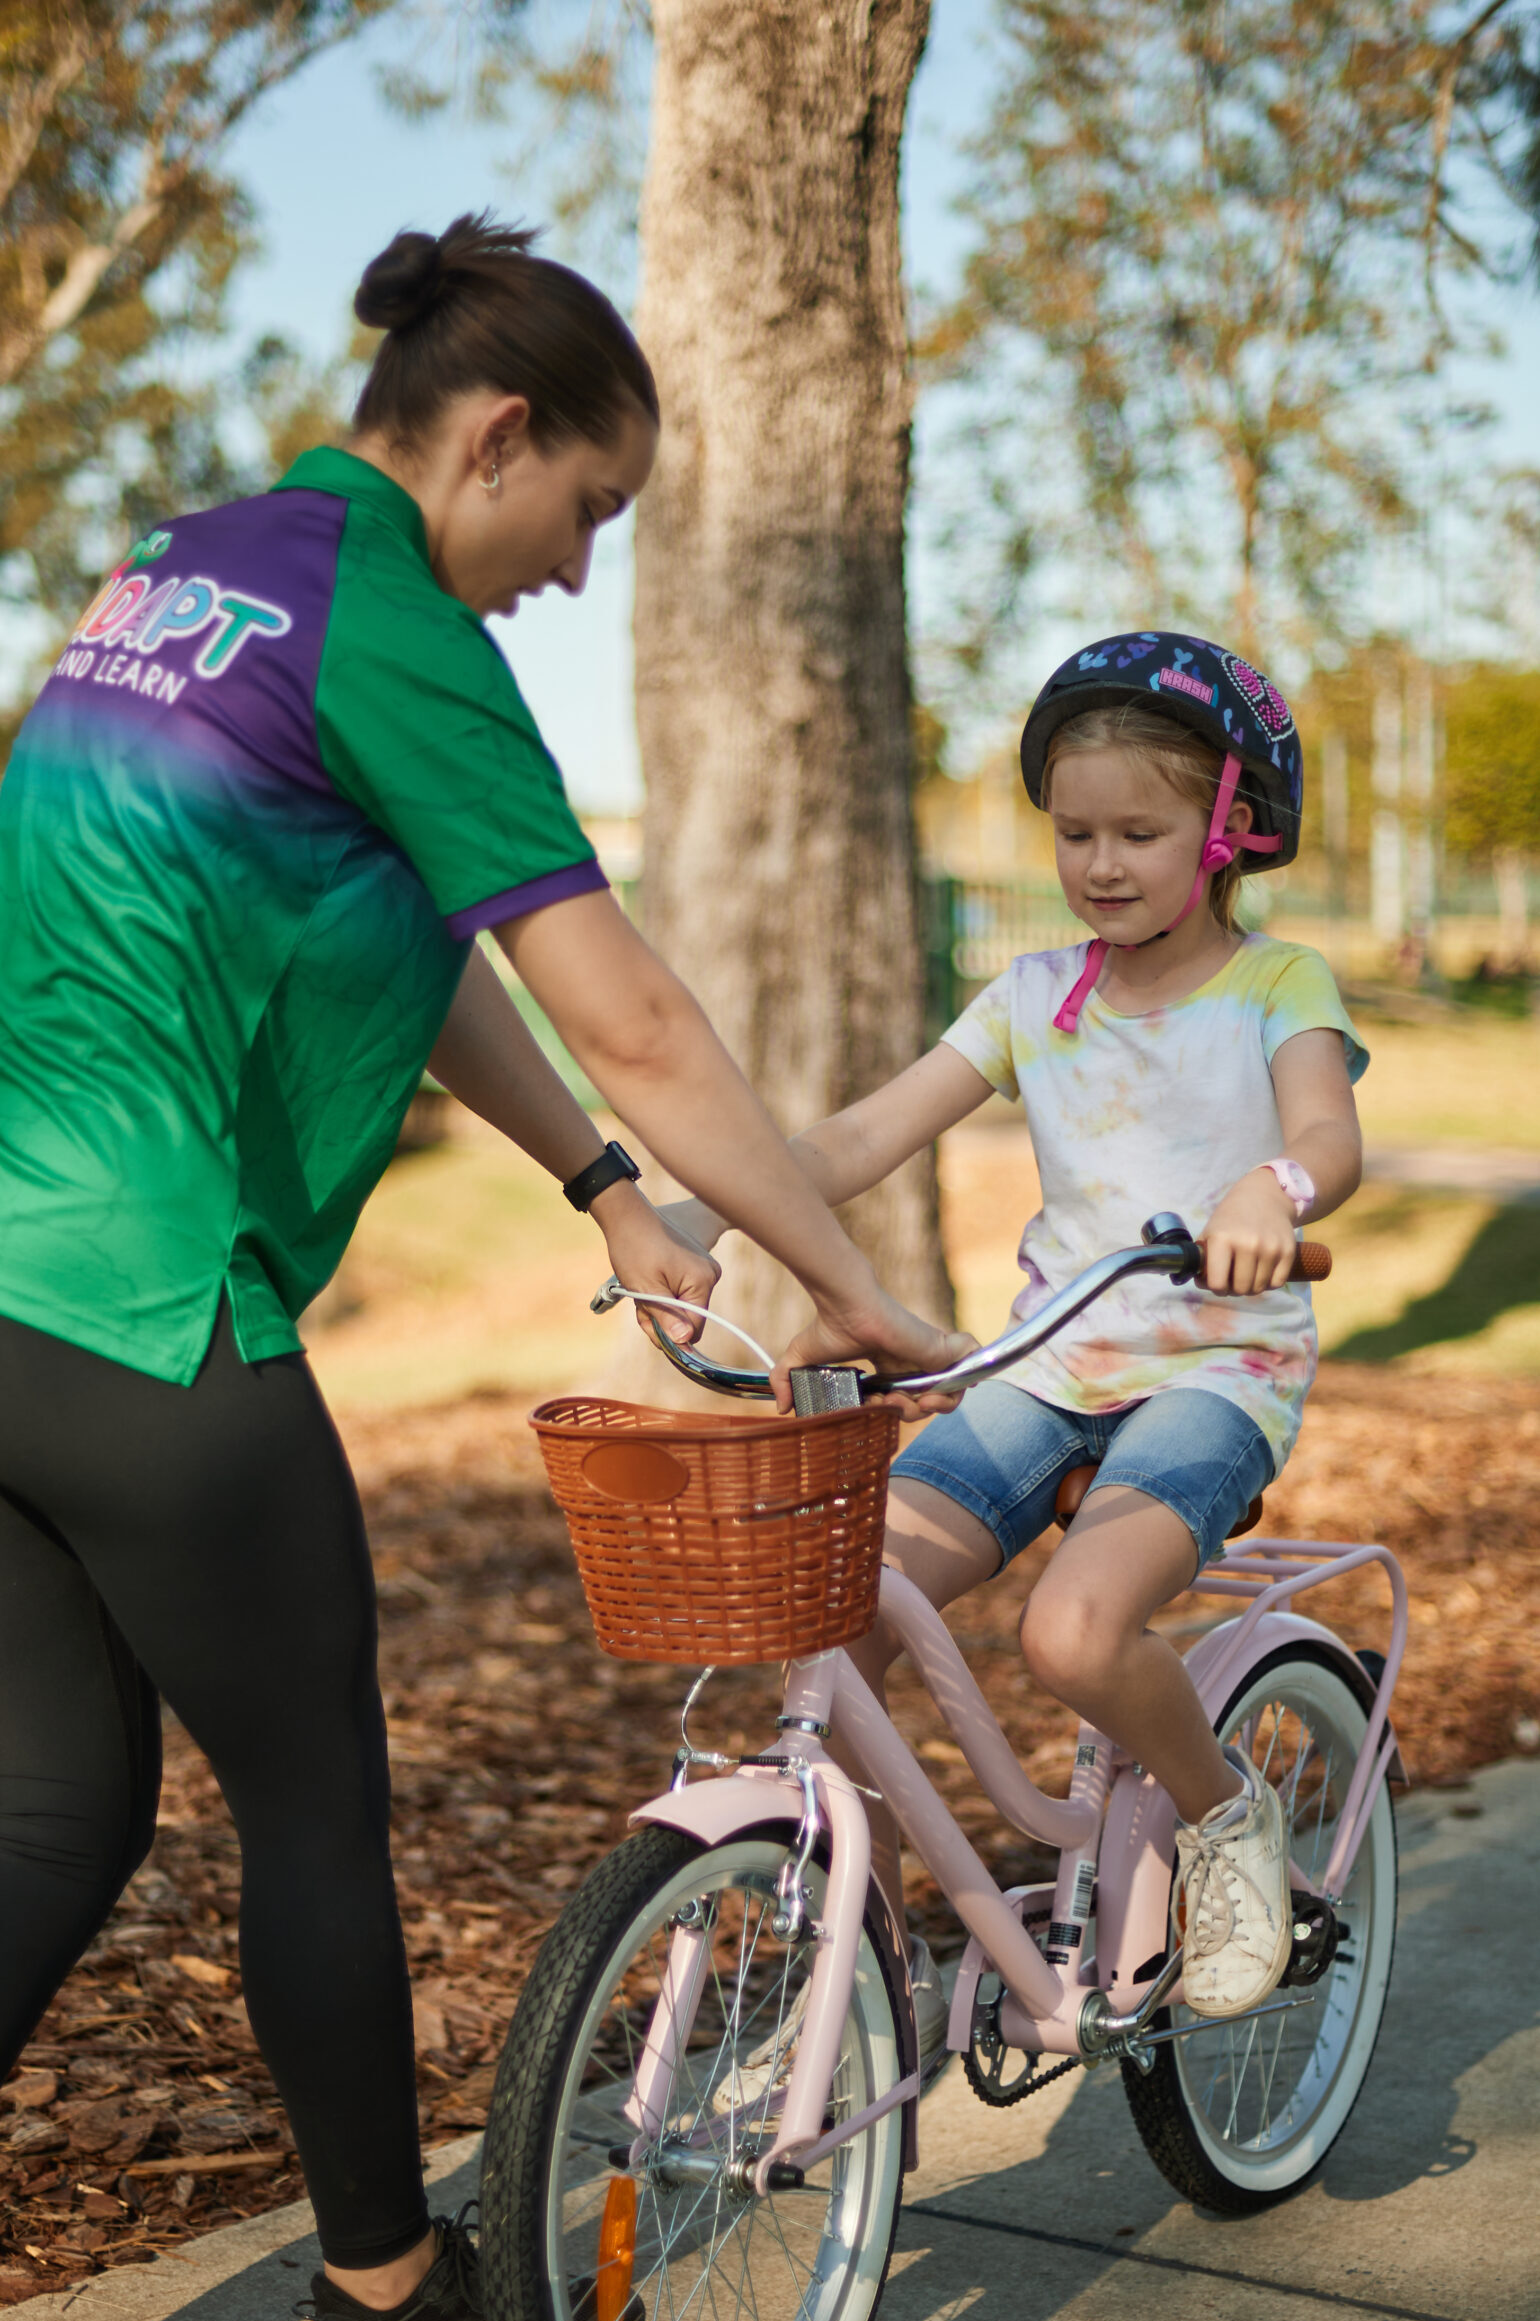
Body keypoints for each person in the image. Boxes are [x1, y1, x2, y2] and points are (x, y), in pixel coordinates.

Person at [0, 214, 969, 2321]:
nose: (578, 563)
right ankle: (385, 2290)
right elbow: (628, 1009)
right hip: (161, 1315)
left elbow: (389, 935)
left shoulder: (185, 563)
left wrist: (602, 1189)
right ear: (498, 436)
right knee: (315, 1817)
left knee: (57, 1813)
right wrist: (854, 1281)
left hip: (8, 1299)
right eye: (589, 507)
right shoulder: (395, 630)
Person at [664, 631, 1367, 2055]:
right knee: (840, 1602)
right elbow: (857, 1133)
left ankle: (1229, 1823)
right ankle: (846, 1918)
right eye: (1075, 832)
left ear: (1228, 829)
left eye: (1141, 831)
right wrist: (704, 1203)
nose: (1101, 863)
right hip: (1042, 1369)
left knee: (1075, 1630)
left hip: (1212, 1377)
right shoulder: (1031, 998)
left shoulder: (1279, 986)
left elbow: (1326, 1135)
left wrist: (1270, 1189)